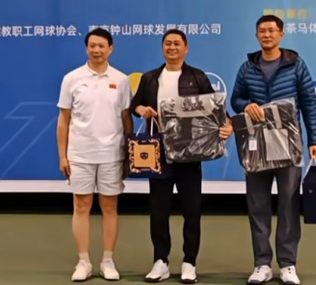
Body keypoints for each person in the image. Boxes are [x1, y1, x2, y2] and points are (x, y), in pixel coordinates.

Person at [130, 29, 233, 284]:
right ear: (162, 48)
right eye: (167, 43)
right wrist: (142, 109)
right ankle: (160, 261)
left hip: (190, 152)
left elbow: (215, 108)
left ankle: (189, 262)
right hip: (158, 153)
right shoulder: (150, 78)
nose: (172, 47)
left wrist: (228, 125)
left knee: (191, 209)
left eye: (177, 43)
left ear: (186, 48)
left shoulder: (197, 77)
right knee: (158, 210)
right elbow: (135, 105)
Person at [230, 15, 316, 285]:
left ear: (281, 34)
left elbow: (309, 103)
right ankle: (261, 264)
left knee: (288, 205)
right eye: (262, 31)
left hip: (289, 146)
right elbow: (235, 99)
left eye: (271, 30)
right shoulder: (248, 67)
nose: (267, 35)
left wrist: (314, 140)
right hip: (256, 145)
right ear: (256, 35)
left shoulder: (296, 65)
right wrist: (246, 105)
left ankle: (288, 264)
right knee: (257, 205)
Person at [57, 27, 133, 282]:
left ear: (111, 48)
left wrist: (128, 155)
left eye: (101, 46)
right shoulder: (72, 79)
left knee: (110, 207)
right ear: (87, 48)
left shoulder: (121, 80)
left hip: (112, 153)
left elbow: (126, 119)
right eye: (92, 46)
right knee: (81, 206)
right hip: (80, 154)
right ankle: (84, 262)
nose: (96, 50)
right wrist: (63, 156)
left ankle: (108, 261)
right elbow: (63, 120)